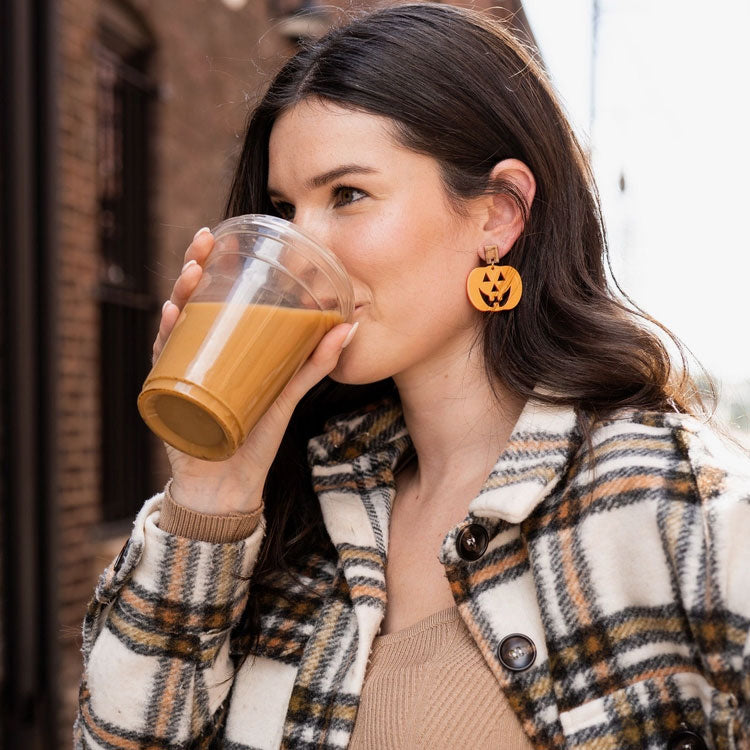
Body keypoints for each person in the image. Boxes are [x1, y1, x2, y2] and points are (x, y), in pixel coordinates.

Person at [74, 4, 750, 749]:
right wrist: (211, 491)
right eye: (282, 209)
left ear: (497, 215)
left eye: (347, 196)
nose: (302, 248)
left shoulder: (674, 506)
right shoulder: (299, 515)